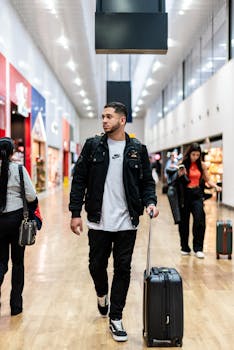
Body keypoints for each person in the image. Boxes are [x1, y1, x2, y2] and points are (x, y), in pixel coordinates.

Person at [69, 102, 159, 342]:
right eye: (102, 116)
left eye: (109, 116)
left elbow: (147, 183)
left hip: (127, 222)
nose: (104, 120)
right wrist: (75, 212)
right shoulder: (93, 146)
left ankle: (116, 317)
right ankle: (102, 294)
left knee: (123, 269)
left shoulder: (138, 149)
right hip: (98, 221)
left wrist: (150, 202)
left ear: (122, 120)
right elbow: (79, 180)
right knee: (96, 266)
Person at [0, 137, 37, 315]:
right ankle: (16, 306)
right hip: (16, 221)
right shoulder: (19, 170)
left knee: (1, 263)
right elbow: (31, 195)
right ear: (13, 152)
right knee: (18, 263)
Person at [176, 143, 221, 258]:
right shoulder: (183, 164)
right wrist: (180, 175)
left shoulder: (202, 165)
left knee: (200, 220)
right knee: (184, 223)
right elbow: (176, 180)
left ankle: (198, 248)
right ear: (189, 153)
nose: (195, 157)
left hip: (196, 195)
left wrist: (215, 186)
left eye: (197, 155)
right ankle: (185, 247)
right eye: (193, 154)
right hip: (185, 196)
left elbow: (208, 180)